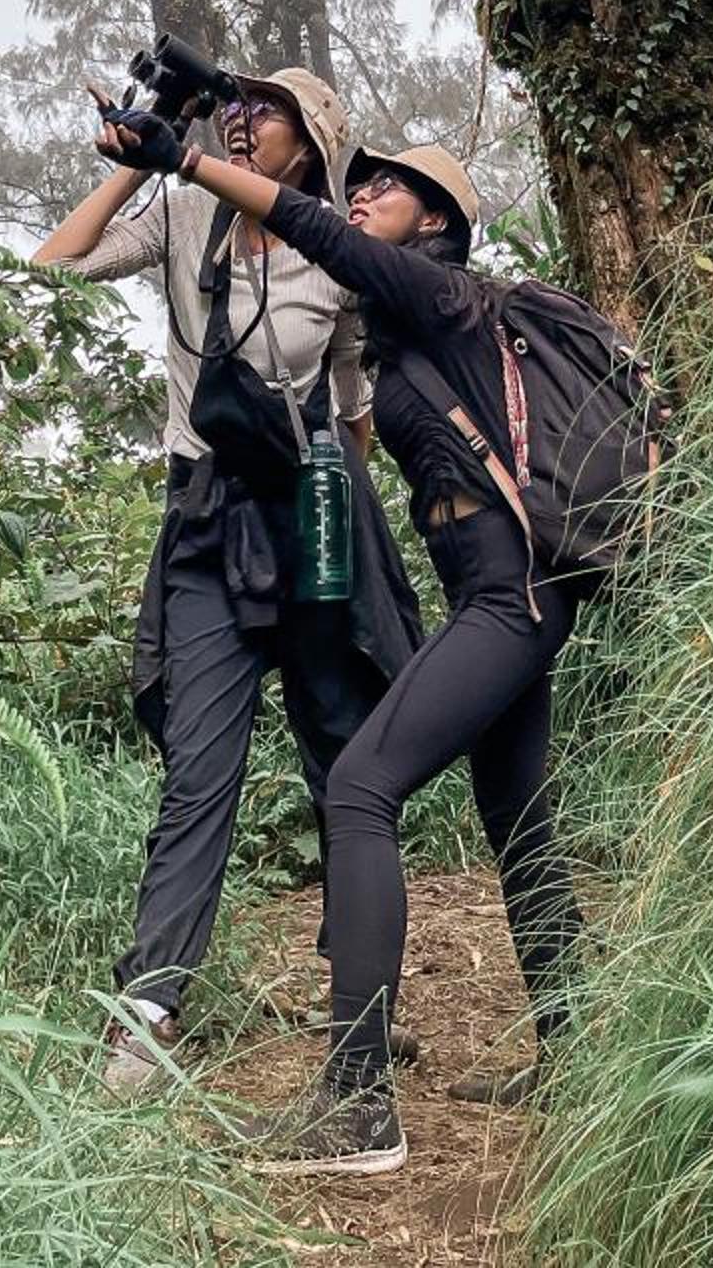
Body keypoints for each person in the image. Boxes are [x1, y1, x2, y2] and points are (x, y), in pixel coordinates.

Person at [93, 107, 585, 1179]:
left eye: (389, 187)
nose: (363, 193)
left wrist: (191, 158)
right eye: (359, 181)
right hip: (501, 590)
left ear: (436, 222)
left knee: (360, 786)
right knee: (518, 821)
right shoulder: (406, 319)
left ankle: (359, 1106)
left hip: (509, 596)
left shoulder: (437, 291)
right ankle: (581, 1054)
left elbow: (314, 233)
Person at [38, 67, 422, 1091]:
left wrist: (343, 524)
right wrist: (139, 159)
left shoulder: (333, 251)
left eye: (270, 111)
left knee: (342, 756)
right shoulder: (187, 214)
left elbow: (353, 411)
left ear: (313, 144)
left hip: (310, 521)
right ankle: (149, 1008)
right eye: (238, 106)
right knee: (199, 769)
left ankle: (361, 998)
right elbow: (57, 264)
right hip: (209, 519)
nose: (245, 120)